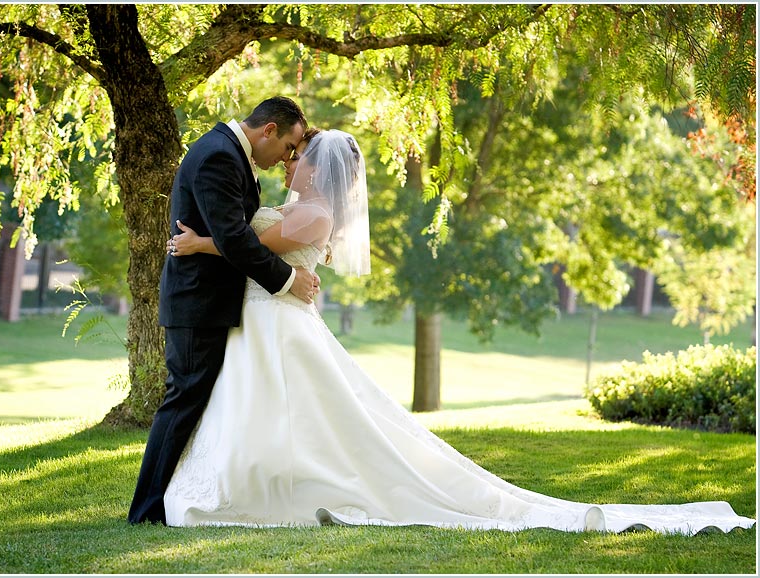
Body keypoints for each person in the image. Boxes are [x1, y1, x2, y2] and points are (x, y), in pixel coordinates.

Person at [160, 129, 755, 535]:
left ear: (321, 167)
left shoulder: (314, 213)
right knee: (268, 405)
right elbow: (254, 243)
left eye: (299, 155)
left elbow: (249, 244)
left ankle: (274, 487)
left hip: (279, 318)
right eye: (292, 153)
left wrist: (199, 244)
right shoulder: (299, 205)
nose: (291, 161)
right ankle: (260, 480)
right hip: (265, 315)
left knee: (295, 406)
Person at [127, 97, 321, 525]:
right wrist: (289, 280)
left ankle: (166, 501)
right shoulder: (220, 155)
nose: (286, 157)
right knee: (183, 400)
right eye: (288, 147)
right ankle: (146, 510)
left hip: (212, 301)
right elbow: (235, 239)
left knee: (196, 401)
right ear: (268, 130)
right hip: (199, 301)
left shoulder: (227, 151)